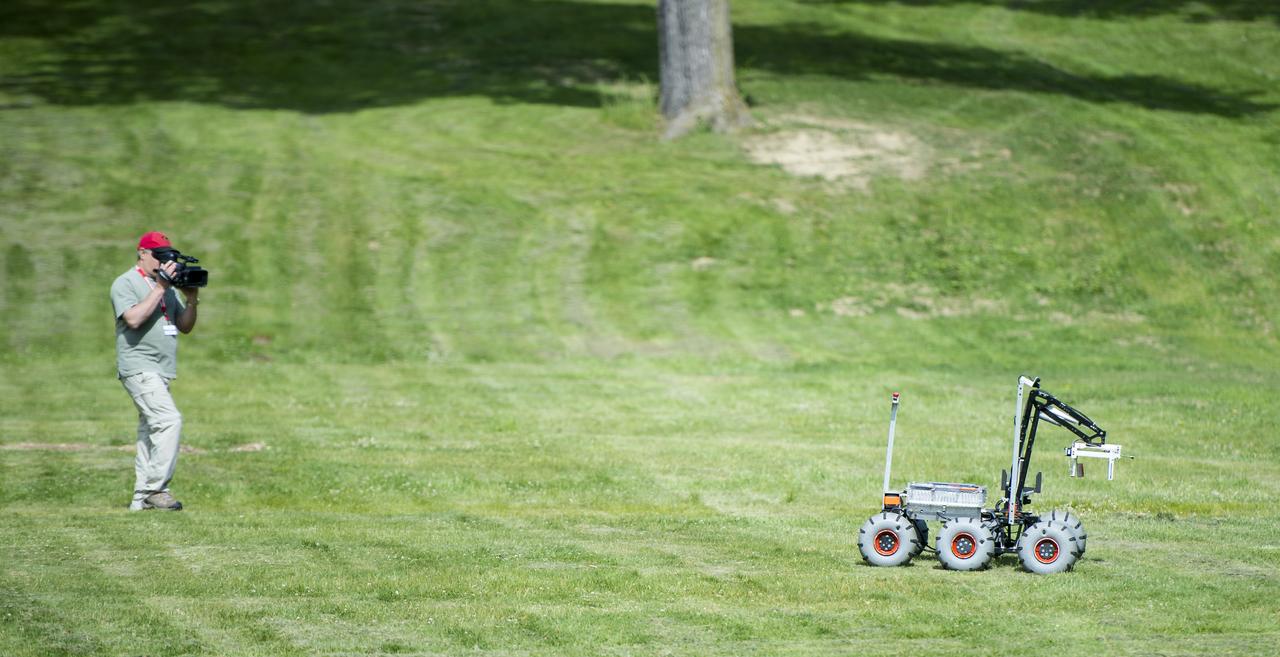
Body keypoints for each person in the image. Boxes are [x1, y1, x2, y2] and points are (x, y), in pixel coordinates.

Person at [110, 231, 200, 511]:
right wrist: (160, 288)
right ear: (142, 253)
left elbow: (184, 325)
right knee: (169, 420)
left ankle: (140, 500)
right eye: (160, 256)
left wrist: (192, 299)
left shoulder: (167, 287)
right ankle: (156, 489)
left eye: (169, 256)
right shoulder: (126, 283)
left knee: (149, 431)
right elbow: (134, 319)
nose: (165, 262)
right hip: (139, 366)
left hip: (161, 369)